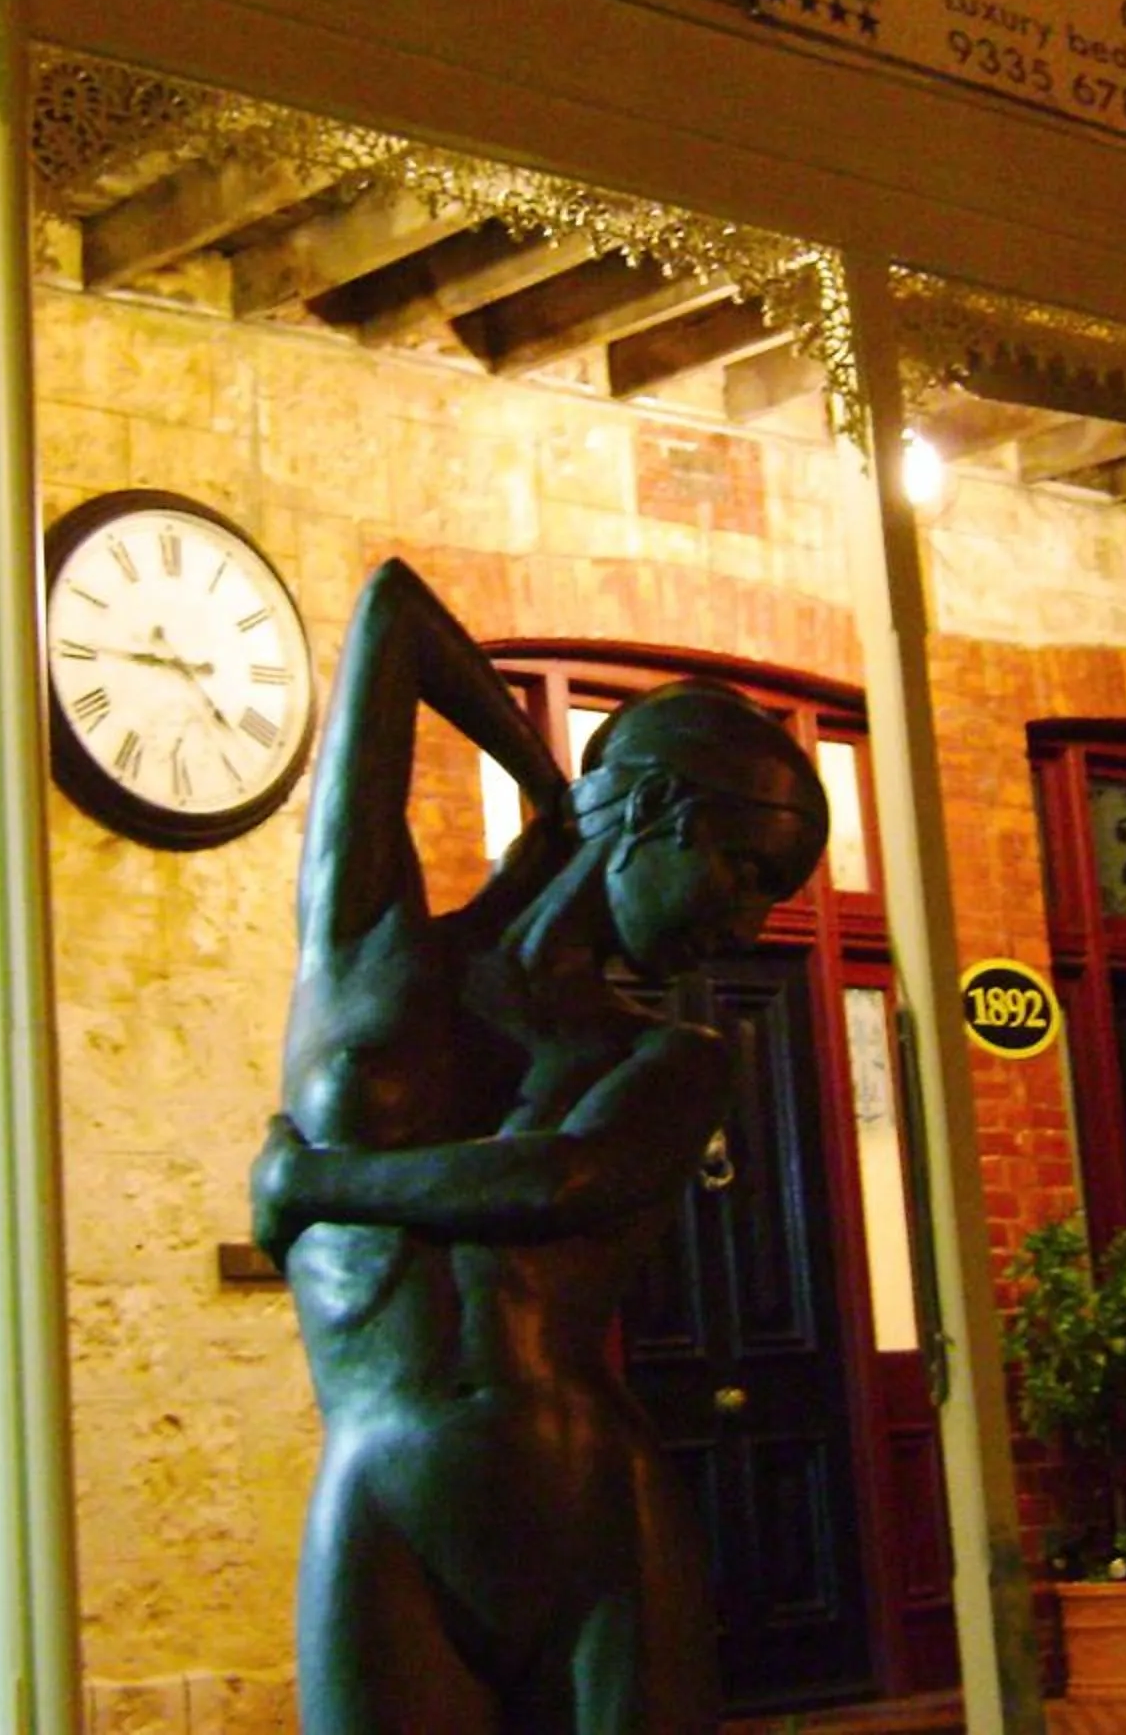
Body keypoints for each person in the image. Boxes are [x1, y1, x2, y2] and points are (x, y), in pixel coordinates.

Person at [252, 557, 828, 1735]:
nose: (748, 923)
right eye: (745, 871)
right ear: (656, 814)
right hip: (381, 1502)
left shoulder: (671, 1055)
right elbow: (393, 613)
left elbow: (560, 1177)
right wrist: (543, 776)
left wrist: (317, 1182)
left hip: (591, 1514)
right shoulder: (366, 949)